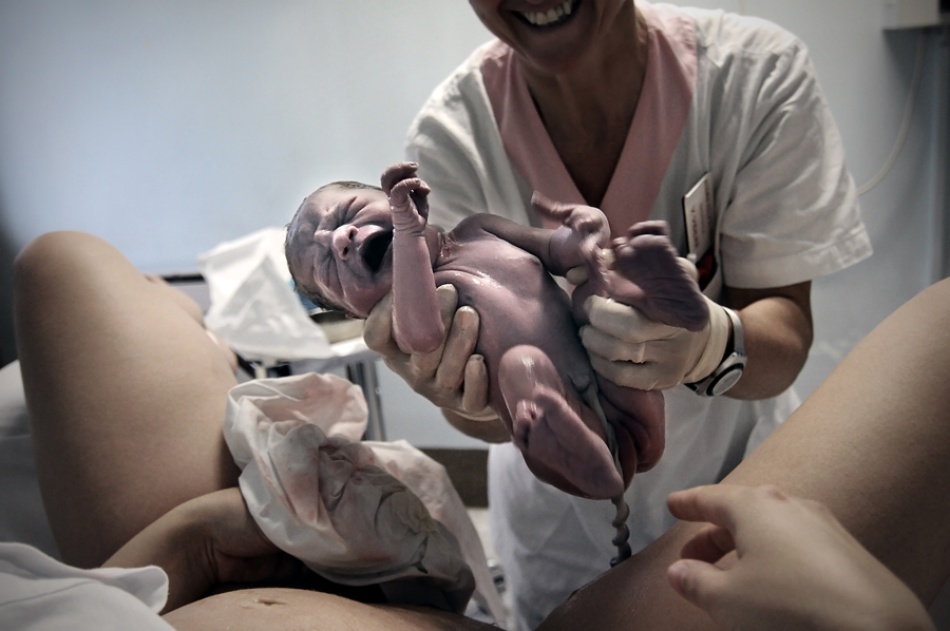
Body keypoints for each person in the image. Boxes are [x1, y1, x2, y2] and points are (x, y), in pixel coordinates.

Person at [10, 230, 947, 629]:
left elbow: (536, 243)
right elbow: (443, 351)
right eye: (323, 256)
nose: (341, 236)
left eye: (340, 212)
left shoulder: (466, 230)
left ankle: (211, 347)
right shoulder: (439, 204)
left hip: (168, 578)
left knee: (61, 263)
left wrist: (187, 540)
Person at [360, 1, 874, 627]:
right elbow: (473, 399)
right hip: (559, 530)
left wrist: (710, 344)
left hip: (732, 482)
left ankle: (636, 303)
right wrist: (467, 392)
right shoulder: (452, 134)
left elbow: (786, 328)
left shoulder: (755, 75)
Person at [284, 161, 707, 514]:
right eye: (327, 268)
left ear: (393, 195)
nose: (340, 240)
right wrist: (407, 233)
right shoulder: (412, 310)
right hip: (567, 430)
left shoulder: (479, 229)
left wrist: (582, 234)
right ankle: (583, 454)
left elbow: (554, 251)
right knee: (523, 367)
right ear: (355, 313)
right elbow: (424, 335)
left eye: (349, 212)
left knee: (597, 293)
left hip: (617, 373)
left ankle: (655, 297)